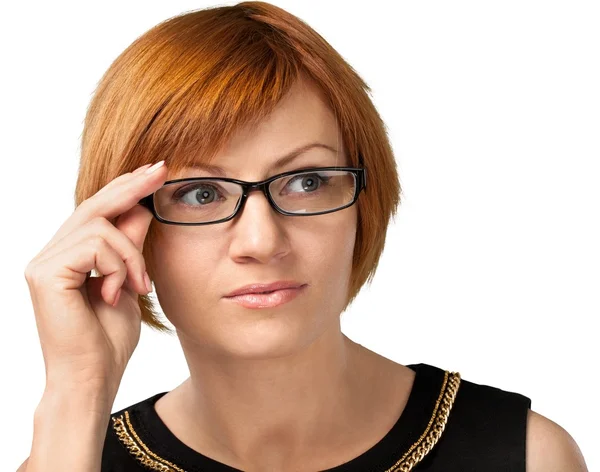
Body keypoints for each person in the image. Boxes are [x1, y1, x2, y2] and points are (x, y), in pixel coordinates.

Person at [19, 2, 588, 471]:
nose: (262, 242)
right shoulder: (66, 457)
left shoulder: (525, 458)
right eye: (200, 193)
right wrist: (76, 393)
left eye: (306, 181)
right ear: (122, 227)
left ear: (365, 203)